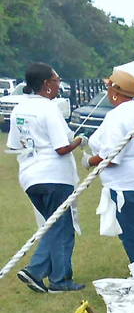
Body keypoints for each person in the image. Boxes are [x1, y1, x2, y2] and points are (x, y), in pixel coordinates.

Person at [7, 62, 86, 293]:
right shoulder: (49, 108)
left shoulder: (19, 108)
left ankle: (38, 270)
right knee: (61, 227)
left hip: (30, 176)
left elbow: (14, 144)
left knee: (53, 226)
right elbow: (61, 147)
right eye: (57, 81)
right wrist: (80, 140)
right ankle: (54, 278)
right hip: (54, 176)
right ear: (46, 84)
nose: (59, 85)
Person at [84, 70, 134, 264]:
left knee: (131, 232)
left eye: (108, 87)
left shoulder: (116, 116)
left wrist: (89, 161)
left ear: (115, 91)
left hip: (127, 182)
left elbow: (110, 156)